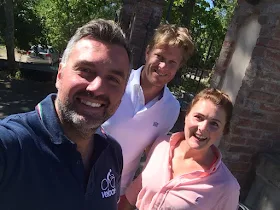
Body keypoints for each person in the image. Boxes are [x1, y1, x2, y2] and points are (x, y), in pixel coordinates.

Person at [0, 19, 131, 210]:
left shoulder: (112, 153)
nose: (96, 88)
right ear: (59, 74)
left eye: (113, 79)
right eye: (86, 70)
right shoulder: (11, 146)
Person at [101, 24, 195, 195]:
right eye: (159, 56)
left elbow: (150, 153)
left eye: (172, 62)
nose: (163, 67)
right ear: (147, 52)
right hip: (76, 175)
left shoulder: (171, 109)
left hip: (114, 191)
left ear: (179, 66)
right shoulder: (115, 82)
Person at [119, 88, 240, 210]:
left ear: (224, 131)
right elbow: (133, 194)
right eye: (198, 117)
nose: (203, 128)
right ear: (186, 116)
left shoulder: (227, 187)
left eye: (214, 124)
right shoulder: (161, 145)